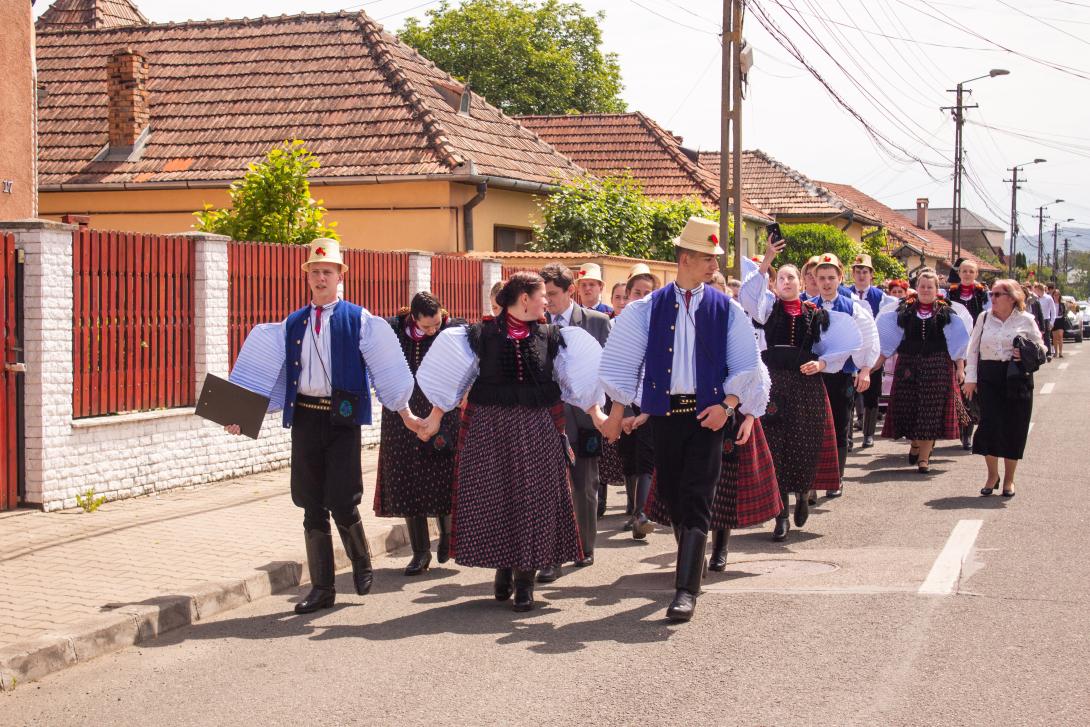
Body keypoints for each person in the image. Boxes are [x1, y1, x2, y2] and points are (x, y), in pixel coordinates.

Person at [225, 238, 418, 614]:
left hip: (342, 417)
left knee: (343, 501)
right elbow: (265, 372)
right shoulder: (291, 323)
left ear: (340, 276)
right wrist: (239, 415)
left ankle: (361, 560)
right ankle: (322, 589)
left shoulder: (359, 319)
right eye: (314, 272)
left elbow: (386, 370)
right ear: (307, 277)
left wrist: (405, 412)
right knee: (310, 504)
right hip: (306, 418)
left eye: (326, 271)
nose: (319, 277)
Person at [600, 217, 767, 622]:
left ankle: (685, 589)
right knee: (674, 497)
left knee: (697, 498)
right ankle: (691, 562)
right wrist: (617, 414)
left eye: (715, 258)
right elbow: (623, 363)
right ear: (687, 258)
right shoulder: (645, 309)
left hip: (707, 415)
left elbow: (746, 363)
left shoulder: (726, 308)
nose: (715, 265)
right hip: (664, 417)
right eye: (709, 258)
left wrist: (728, 407)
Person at [414, 272, 607, 612]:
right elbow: (454, 379)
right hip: (490, 429)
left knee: (533, 501)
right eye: (541, 296)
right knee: (499, 497)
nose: (546, 301)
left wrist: (598, 415)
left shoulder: (553, 337)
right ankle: (504, 566)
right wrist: (433, 417)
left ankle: (524, 583)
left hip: (537, 429)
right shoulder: (480, 335)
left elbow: (574, 379)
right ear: (523, 300)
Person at [740, 240, 860, 542]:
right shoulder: (767, 309)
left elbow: (839, 347)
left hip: (806, 386)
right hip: (774, 384)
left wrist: (820, 365)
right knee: (775, 446)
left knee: (804, 442)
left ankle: (803, 494)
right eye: (781, 278)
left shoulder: (815, 312)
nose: (786, 282)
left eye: (791, 277)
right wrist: (768, 258)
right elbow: (751, 296)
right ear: (775, 284)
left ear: (801, 282)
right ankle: (780, 515)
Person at [373, 292, 463, 576]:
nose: (432, 329)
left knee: (442, 475)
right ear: (414, 317)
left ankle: (448, 538)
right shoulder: (393, 329)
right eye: (426, 326)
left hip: (442, 411)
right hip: (402, 414)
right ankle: (420, 553)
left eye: (436, 323)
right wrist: (405, 413)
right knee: (408, 480)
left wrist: (438, 413)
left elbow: (462, 371)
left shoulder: (453, 329)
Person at [538, 263, 612, 581]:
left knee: (584, 482)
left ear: (570, 291)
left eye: (552, 293)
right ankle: (553, 555)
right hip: (547, 415)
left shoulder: (597, 322)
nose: (547, 300)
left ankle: (585, 544)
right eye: (543, 294)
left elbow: (610, 366)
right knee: (552, 485)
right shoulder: (534, 323)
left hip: (585, 415)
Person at [875, 268, 970, 473]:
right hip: (908, 366)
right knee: (910, 409)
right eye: (922, 286)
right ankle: (915, 443)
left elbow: (957, 343)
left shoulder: (947, 312)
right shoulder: (903, 310)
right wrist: (872, 365)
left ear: (937, 289)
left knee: (931, 412)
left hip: (937, 366)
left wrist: (960, 368)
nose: (926, 290)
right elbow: (889, 340)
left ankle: (924, 459)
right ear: (916, 288)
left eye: (930, 287)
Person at [963, 280, 1045, 498]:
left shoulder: (1026, 320)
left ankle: (1009, 479)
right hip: (989, 375)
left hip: (1016, 377)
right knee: (989, 426)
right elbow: (972, 350)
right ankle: (992, 476)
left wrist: (1026, 352)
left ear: (1011, 297)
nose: (993, 298)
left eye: (997, 294)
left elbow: (1042, 348)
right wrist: (970, 378)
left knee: (1014, 427)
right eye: (991, 294)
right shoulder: (984, 317)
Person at [812, 254, 880, 492]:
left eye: (831, 277)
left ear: (840, 278)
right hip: (814, 375)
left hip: (842, 375)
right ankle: (813, 477)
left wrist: (865, 369)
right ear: (815, 279)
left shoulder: (853, 307)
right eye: (822, 278)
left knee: (841, 425)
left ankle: (836, 479)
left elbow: (869, 338)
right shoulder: (808, 305)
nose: (827, 283)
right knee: (814, 426)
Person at [617, 263, 659, 537]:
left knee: (646, 458)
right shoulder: (618, 324)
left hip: (650, 400)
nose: (642, 296)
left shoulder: (661, 324)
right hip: (623, 400)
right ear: (628, 294)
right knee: (629, 459)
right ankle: (634, 509)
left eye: (648, 292)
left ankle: (642, 513)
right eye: (637, 291)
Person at [849, 254, 898, 449]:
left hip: (872, 352)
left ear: (871, 275)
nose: (862, 275)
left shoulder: (882, 298)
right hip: (850, 351)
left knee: (871, 393)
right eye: (858, 271)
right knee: (850, 395)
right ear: (852, 274)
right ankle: (849, 436)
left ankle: (868, 434)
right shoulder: (844, 293)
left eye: (865, 272)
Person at [947, 259, 991, 449]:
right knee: (955, 388)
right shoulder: (950, 293)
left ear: (976, 273)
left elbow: (989, 317)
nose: (966, 274)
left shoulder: (983, 295)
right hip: (954, 345)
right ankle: (955, 427)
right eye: (963, 271)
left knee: (970, 389)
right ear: (959, 273)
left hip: (976, 346)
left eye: (970, 271)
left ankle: (968, 434)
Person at [1036, 282, 1056, 360]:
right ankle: (1039, 353)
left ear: (1041, 290)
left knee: (1046, 337)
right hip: (1037, 319)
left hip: (1046, 319)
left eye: (1037, 290)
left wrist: (1052, 322)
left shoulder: (1048, 298)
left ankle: (1048, 353)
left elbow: (1053, 311)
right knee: (1037, 336)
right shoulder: (1036, 298)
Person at [1050, 288, 1067, 358]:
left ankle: (1060, 352)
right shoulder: (1051, 303)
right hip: (1054, 320)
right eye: (1055, 295)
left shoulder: (1062, 304)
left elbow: (1064, 312)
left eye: (1058, 295)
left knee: (1060, 335)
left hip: (1060, 320)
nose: (1056, 296)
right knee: (1054, 337)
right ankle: (1055, 352)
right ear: (1053, 295)